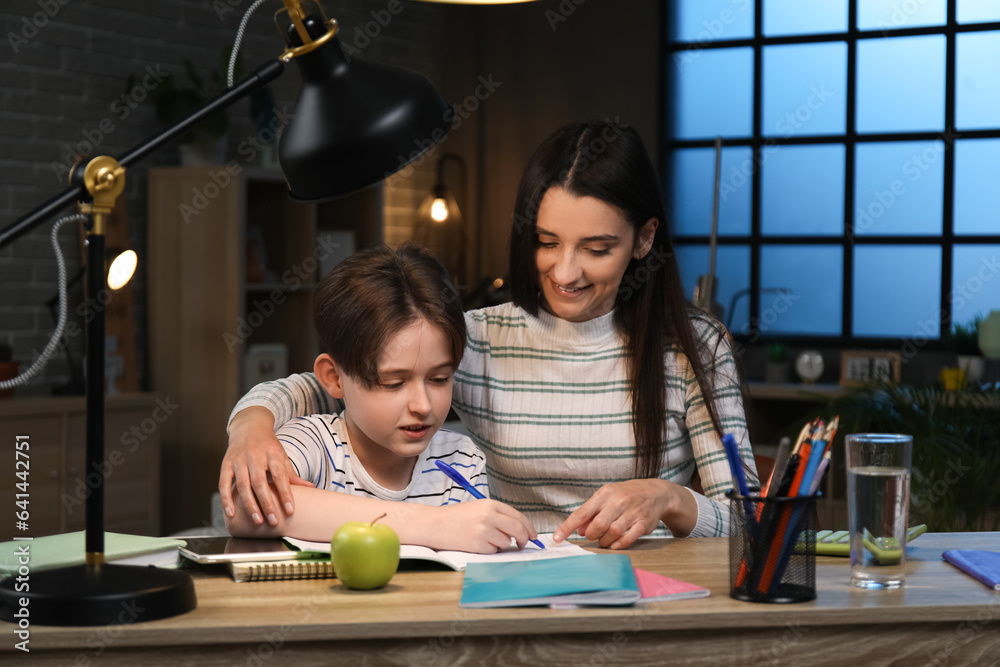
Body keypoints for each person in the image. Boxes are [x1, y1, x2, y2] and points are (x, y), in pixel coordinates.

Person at [221, 119, 756, 550]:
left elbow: (752, 521)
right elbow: (343, 379)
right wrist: (250, 428)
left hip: (656, 596)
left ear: (643, 239)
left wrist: (669, 499)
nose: (565, 273)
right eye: (547, 242)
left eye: (596, 249)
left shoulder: (695, 349)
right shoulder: (479, 338)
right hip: (516, 589)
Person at [223, 243, 538, 553]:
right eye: (393, 383)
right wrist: (432, 525)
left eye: (439, 379)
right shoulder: (314, 445)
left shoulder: (460, 461)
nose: (423, 406)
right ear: (334, 378)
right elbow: (244, 509)